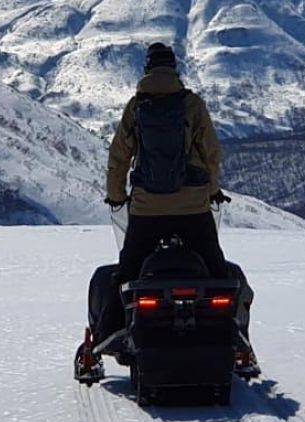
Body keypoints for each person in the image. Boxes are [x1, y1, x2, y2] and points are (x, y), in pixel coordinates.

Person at [91, 43, 255, 370]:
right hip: (193, 209)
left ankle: (108, 334)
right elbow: (211, 153)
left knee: (127, 273)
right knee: (217, 271)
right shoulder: (192, 104)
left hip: (147, 211)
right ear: (175, 68)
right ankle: (234, 336)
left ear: (147, 69)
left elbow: (119, 157)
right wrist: (211, 191)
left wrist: (117, 196)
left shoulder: (137, 106)